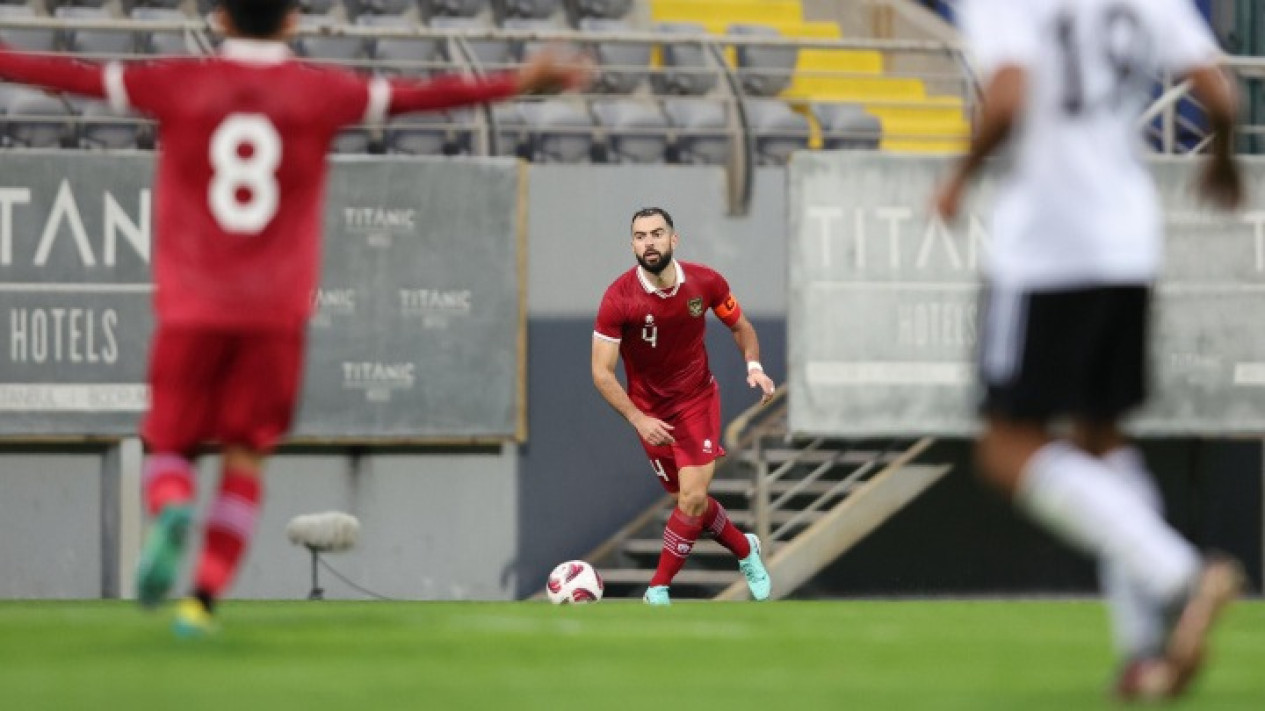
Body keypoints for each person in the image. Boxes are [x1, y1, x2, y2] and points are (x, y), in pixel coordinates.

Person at [0, 0, 589, 635]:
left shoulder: (176, 81)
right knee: (247, 456)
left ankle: (171, 507)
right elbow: (425, 95)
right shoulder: (321, 93)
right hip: (276, 315)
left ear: (220, 19)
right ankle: (200, 600)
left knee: (169, 442)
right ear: (293, 20)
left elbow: (71, 77)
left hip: (194, 306)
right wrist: (517, 83)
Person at [934, 0, 1244, 700]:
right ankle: (1144, 656)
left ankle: (1179, 574)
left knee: (1005, 448)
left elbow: (1009, 91)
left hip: (1044, 246)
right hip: (1126, 245)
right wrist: (1221, 165)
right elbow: (1219, 93)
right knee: (1102, 442)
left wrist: (957, 177)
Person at [592, 207, 776, 605]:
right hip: (650, 414)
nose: (649, 242)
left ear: (673, 240)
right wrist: (639, 419)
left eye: (657, 234)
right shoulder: (617, 299)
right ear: (632, 245)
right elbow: (602, 373)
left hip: (696, 400)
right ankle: (745, 549)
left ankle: (657, 588)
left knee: (692, 498)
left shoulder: (705, 283)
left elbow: (741, 327)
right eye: (641, 236)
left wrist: (754, 366)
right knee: (690, 503)